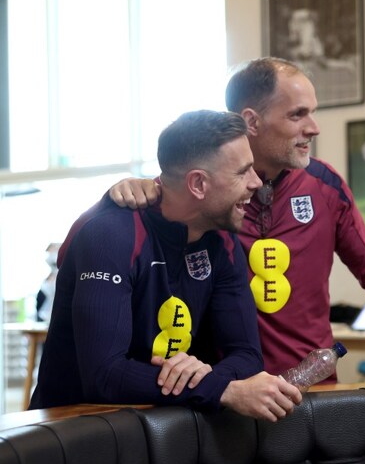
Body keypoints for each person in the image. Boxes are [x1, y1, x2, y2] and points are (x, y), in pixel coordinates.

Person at [108, 57, 365, 418]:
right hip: (225, 402)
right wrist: (131, 189)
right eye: (297, 115)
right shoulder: (206, 192)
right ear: (251, 122)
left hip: (312, 398)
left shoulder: (326, 186)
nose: (314, 128)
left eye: (312, 113)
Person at [30, 110, 303, 422]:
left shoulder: (224, 243)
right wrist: (221, 388)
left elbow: (247, 355)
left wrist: (205, 375)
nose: (257, 182)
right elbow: (104, 375)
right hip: (71, 433)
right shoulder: (111, 235)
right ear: (198, 184)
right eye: (242, 172)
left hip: (157, 429)